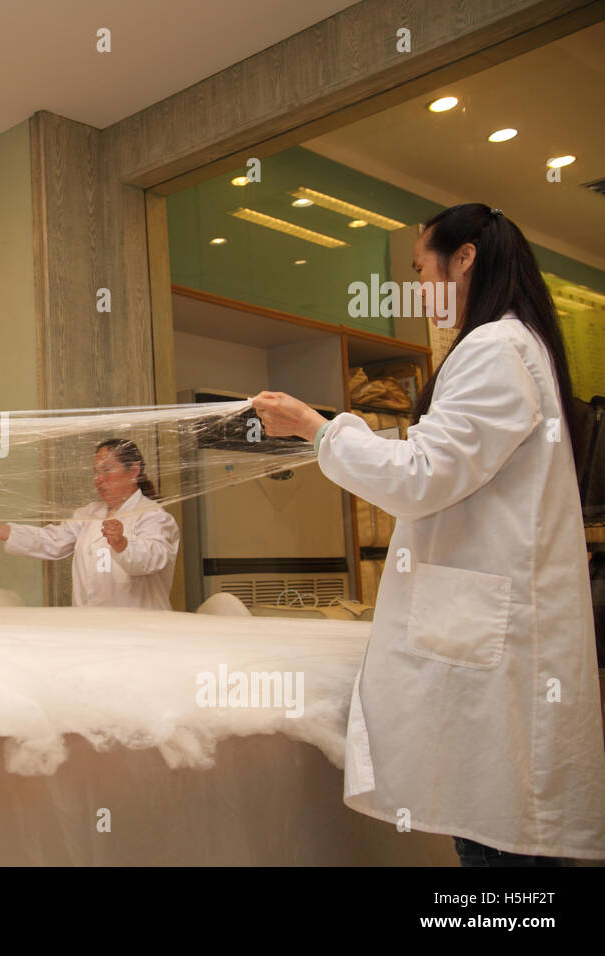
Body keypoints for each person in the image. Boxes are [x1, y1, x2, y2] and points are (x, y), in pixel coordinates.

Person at [252, 203, 605, 864]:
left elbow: (420, 474)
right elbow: (443, 463)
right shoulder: (513, 347)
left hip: (493, 650)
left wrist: (318, 428)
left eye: (422, 268)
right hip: (488, 633)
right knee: (504, 841)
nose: (418, 288)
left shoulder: (496, 348)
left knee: (500, 852)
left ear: (464, 256)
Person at [0, 438, 179, 608]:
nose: (98, 479)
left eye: (106, 470)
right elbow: (51, 540)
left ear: (134, 470)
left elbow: (154, 559)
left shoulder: (154, 516)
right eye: (96, 472)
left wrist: (122, 543)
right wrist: (0, 530)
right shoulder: (89, 514)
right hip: (91, 627)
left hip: (138, 632)